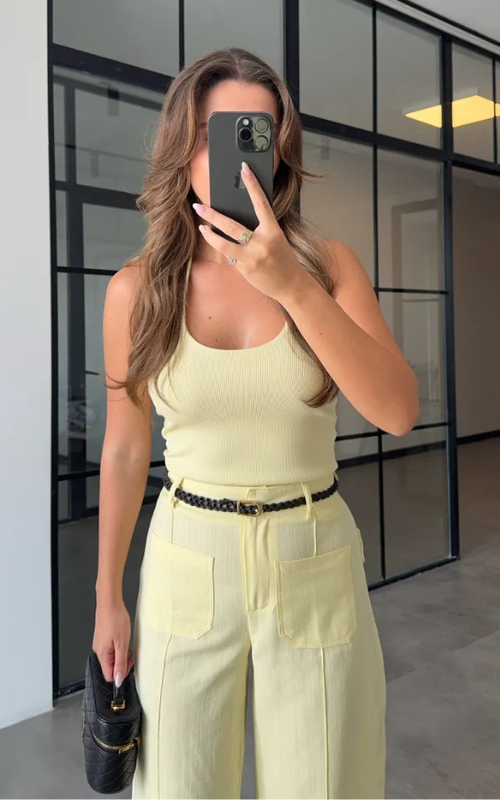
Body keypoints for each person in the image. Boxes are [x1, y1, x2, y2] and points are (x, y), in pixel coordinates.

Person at [94, 46, 419, 800]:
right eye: (219, 134)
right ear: (184, 148)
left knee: (325, 785)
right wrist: (108, 595)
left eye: (257, 135)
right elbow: (126, 446)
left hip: (313, 553)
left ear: (279, 153)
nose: (238, 158)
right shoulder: (138, 291)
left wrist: (293, 287)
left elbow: (398, 411)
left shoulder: (330, 267)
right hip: (187, 559)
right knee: (177, 787)